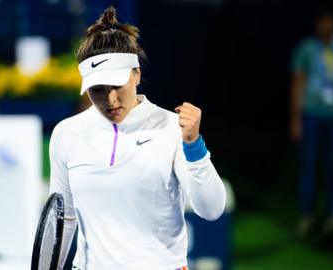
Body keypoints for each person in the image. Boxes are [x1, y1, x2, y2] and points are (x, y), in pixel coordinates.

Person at [49, 7, 226, 269]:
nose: (110, 100)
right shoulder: (66, 133)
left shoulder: (172, 128)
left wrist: (193, 144)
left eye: (117, 85)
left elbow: (211, 209)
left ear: (137, 74)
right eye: (98, 89)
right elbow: (64, 218)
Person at [289, 7, 333, 237]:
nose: (326, 25)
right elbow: (298, 82)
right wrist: (296, 118)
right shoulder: (306, 48)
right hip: (311, 114)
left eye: (330, 20)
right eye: (322, 21)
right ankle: (307, 215)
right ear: (317, 24)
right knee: (310, 165)